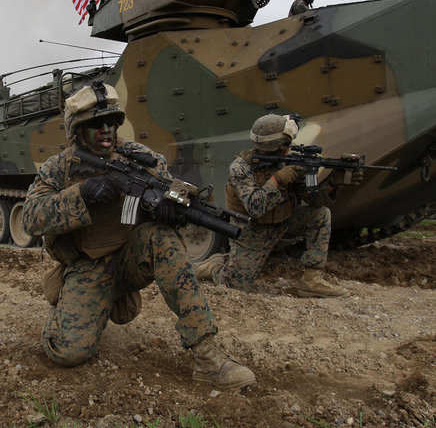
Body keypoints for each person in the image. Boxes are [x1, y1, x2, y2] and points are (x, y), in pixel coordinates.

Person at [22, 81, 256, 390]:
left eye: (112, 122)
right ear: (77, 130)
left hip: (132, 255)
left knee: (164, 239)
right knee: (67, 352)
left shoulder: (138, 158)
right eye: (96, 123)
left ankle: (208, 358)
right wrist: (83, 193)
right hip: (88, 264)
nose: (107, 129)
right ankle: (70, 299)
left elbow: (172, 189)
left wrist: (171, 209)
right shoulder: (59, 168)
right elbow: (31, 218)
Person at [196, 114, 361, 297]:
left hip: (284, 222)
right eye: (286, 144)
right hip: (252, 232)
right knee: (236, 286)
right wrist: (278, 179)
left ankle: (311, 280)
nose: (288, 148)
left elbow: (314, 201)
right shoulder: (241, 167)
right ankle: (214, 266)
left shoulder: (289, 161)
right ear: (279, 146)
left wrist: (333, 184)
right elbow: (255, 207)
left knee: (321, 214)